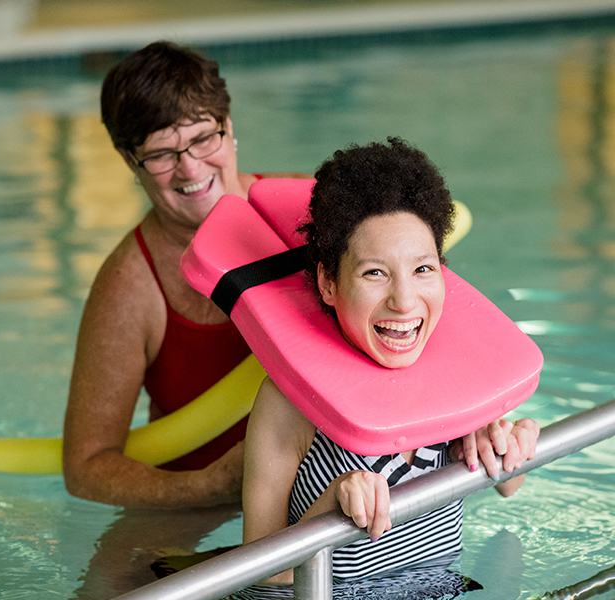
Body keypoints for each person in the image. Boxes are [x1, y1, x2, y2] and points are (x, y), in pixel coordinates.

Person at [241, 139, 540, 585]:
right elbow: (257, 577)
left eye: (423, 269)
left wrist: (506, 439)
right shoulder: (288, 401)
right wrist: (330, 508)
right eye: (374, 273)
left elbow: (508, 485)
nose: (404, 302)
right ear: (328, 283)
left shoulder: (456, 371)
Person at [63, 41, 308, 508]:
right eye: (161, 154)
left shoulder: (301, 210)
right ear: (127, 159)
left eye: (202, 138)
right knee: (113, 579)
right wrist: (210, 486)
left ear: (228, 125)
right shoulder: (130, 286)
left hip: (326, 470)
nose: (190, 168)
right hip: (198, 494)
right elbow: (86, 467)